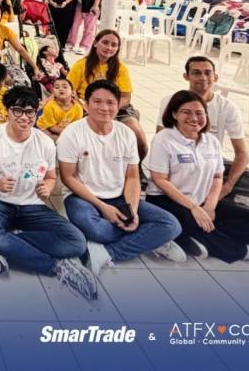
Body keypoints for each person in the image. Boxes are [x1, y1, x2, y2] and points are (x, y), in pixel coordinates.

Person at [0, 86, 97, 299]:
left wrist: (48, 187)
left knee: (77, 241)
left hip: (32, 205)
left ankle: (8, 243)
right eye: (18, 110)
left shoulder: (45, 143)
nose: (24, 117)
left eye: (30, 112)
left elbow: (51, 177)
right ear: (7, 110)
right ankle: (57, 266)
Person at [58, 80, 183, 279]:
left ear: (118, 106)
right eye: (97, 101)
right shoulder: (72, 134)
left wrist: (132, 210)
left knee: (171, 225)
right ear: (86, 104)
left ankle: (107, 253)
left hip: (119, 197)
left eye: (110, 103)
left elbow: (132, 176)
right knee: (97, 230)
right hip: (82, 198)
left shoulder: (126, 133)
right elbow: (68, 177)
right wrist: (103, 207)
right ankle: (150, 239)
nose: (104, 108)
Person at [147, 91, 249, 270]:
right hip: (166, 200)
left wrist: (210, 206)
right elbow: (160, 180)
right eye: (186, 112)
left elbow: (217, 176)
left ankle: (191, 239)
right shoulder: (164, 139)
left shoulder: (211, 141)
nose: (194, 118)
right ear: (174, 114)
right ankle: (245, 252)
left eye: (199, 113)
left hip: (201, 200)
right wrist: (193, 208)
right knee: (193, 222)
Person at [156, 56, 249, 214]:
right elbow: (160, 142)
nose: (203, 77)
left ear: (215, 77)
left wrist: (227, 186)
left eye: (207, 73)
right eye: (196, 73)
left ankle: (224, 196)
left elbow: (242, 153)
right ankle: (221, 198)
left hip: (213, 162)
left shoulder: (227, 107)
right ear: (186, 76)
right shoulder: (170, 101)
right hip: (180, 162)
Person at [67, 29, 148, 162]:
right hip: (86, 109)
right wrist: (86, 108)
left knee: (138, 135)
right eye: (105, 42)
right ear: (95, 43)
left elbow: (126, 97)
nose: (109, 47)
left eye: (114, 45)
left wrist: (111, 110)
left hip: (118, 108)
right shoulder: (80, 66)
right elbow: (70, 92)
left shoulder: (121, 68)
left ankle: (135, 166)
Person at [0, 2, 42, 87]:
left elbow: (20, 49)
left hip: (7, 63)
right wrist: (3, 74)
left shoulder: (5, 30)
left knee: (25, 83)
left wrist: (35, 67)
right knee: (1, 86)